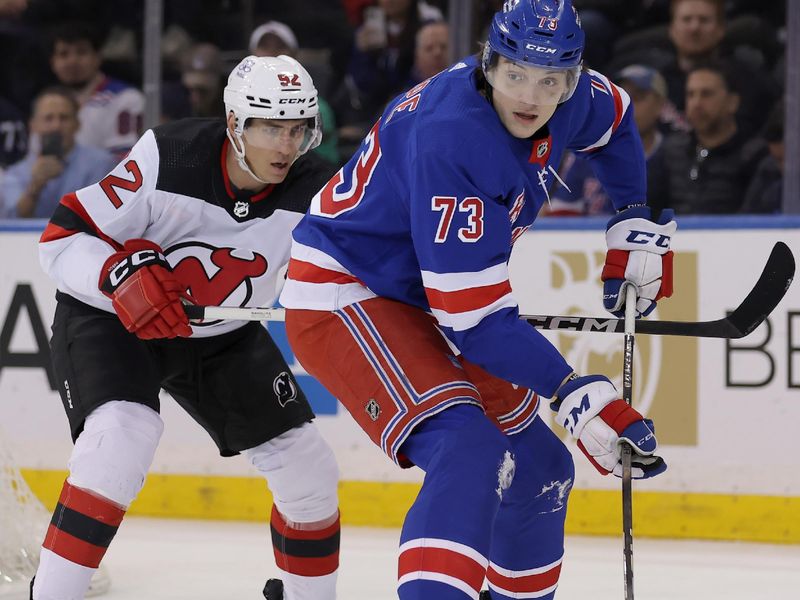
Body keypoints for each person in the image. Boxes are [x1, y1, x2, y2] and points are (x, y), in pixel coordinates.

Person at [280, 1, 672, 598]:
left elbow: (615, 121)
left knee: (541, 470)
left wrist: (630, 221)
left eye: (550, 82)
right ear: (489, 63)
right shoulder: (453, 138)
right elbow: (475, 319)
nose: (530, 96)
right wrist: (572, 391)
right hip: (352, 289)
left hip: (431, 298)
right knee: (469, 449)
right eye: (514, 74)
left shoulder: (572, 96)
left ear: (572, 79)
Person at [33, 55, 341, 600]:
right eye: (271, 127)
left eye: (297, 128)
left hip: (221, 335)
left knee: (308, 469)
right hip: (115, 322)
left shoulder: (322, 188)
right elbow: (60, 239)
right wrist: (116, 276)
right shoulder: (168, 155)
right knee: (119, 442)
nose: (287, 145)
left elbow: (372, 269)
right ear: (234, 124)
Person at [545, 64, 669, 216]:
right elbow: (562, 213)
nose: (627, 103)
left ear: (660, 105)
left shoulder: (672, 155)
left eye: (638, 98)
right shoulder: (586, 151)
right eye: (624, 95)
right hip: (589, 237)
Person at [661, 60, 767, 214]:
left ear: (732, 102)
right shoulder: (671, 151)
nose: (696, 104)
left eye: (706, 94)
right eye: (690, 95)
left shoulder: (754, 155)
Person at [1, 87, 116, 219]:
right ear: (33, 125)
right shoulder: (17, 172)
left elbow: (105, 217)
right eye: (48, 118)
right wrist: (34, 187)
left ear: (77, 124)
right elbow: (12, 225)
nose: (56, 126)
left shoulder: (101, 164)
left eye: (64, 118)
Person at [49, 21, 145, 157]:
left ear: (97, 58)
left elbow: (124, 160)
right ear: (53, 63)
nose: (72, 61)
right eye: (64, 54)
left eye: (81, 52)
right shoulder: (47, 103)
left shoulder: (126, 99)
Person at [250, 20, 340, 165]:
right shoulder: (239, 103)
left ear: (294, 55)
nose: (271, 54)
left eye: (279, 47)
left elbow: (323, 166)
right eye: (265, 47)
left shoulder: (317, 108)